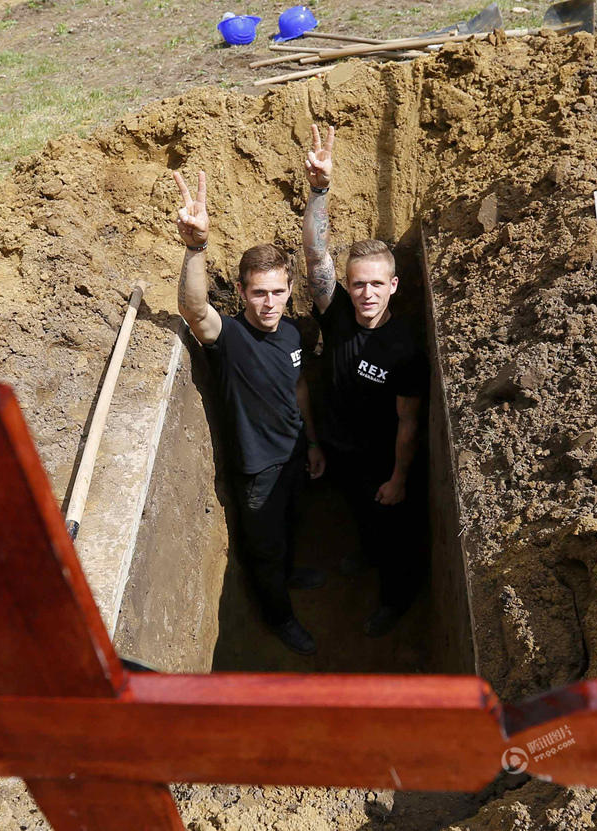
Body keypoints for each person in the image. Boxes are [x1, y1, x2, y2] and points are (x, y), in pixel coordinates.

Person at [172, 169, 326, 656]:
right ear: (241, 292)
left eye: (277, 292)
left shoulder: (293, 333)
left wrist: (314, 442)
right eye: (259, 292)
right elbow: (195, 309)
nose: (269, 302)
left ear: (288, 289)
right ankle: (278, 615)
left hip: (296, 454)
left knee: (291, 526)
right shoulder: (230, 338)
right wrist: (196, 248)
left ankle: (288, 572)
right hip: (258, 471)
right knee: (264, 549)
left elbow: (299, 386)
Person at [301, 125, 429, 638]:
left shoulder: (405, 350)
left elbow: (409, 423)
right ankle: (368, 552)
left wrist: (398, 479)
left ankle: (396, 599)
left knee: (395, 531)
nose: (367, 293)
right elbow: (314, 256)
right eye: (359, 283)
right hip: (343, 449)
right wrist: (318, 190)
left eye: (377, 283)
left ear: (394, 286)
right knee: (360, 513)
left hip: (385, 461)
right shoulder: (335, 316)